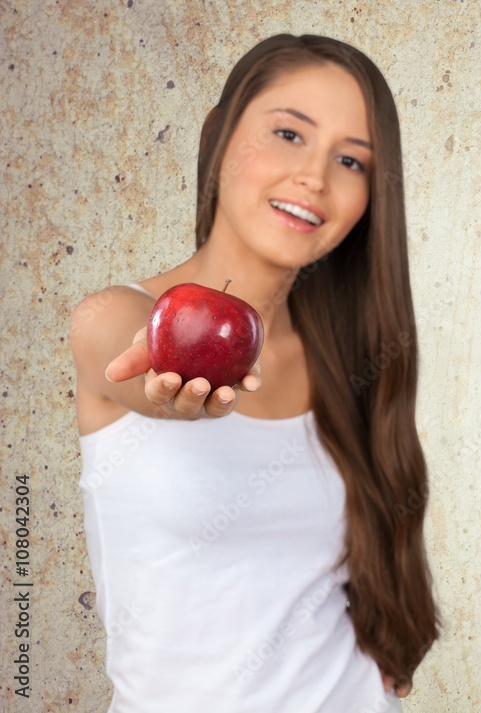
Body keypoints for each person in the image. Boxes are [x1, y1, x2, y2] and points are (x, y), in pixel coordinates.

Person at [70, 34, 439, 712]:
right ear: (217, 136)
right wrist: (174, 388)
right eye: (288, 133)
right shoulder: (116, 316)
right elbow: (133, 364)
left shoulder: (351, 358)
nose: (316, 177)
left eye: (352, 160)